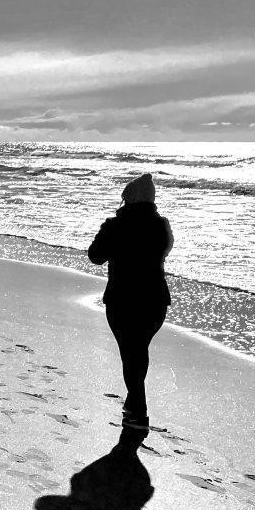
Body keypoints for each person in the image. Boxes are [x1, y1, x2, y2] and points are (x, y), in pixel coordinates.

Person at [88, 173, 173, 430]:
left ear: (128, 198)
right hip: (155, 300)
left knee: (130, 354)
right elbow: (165, 250)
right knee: (139, 351)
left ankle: (139, 411)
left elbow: (95, 256)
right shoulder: (162, 226)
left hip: (122, 300)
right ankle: (134, 405)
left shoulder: (115, 225)